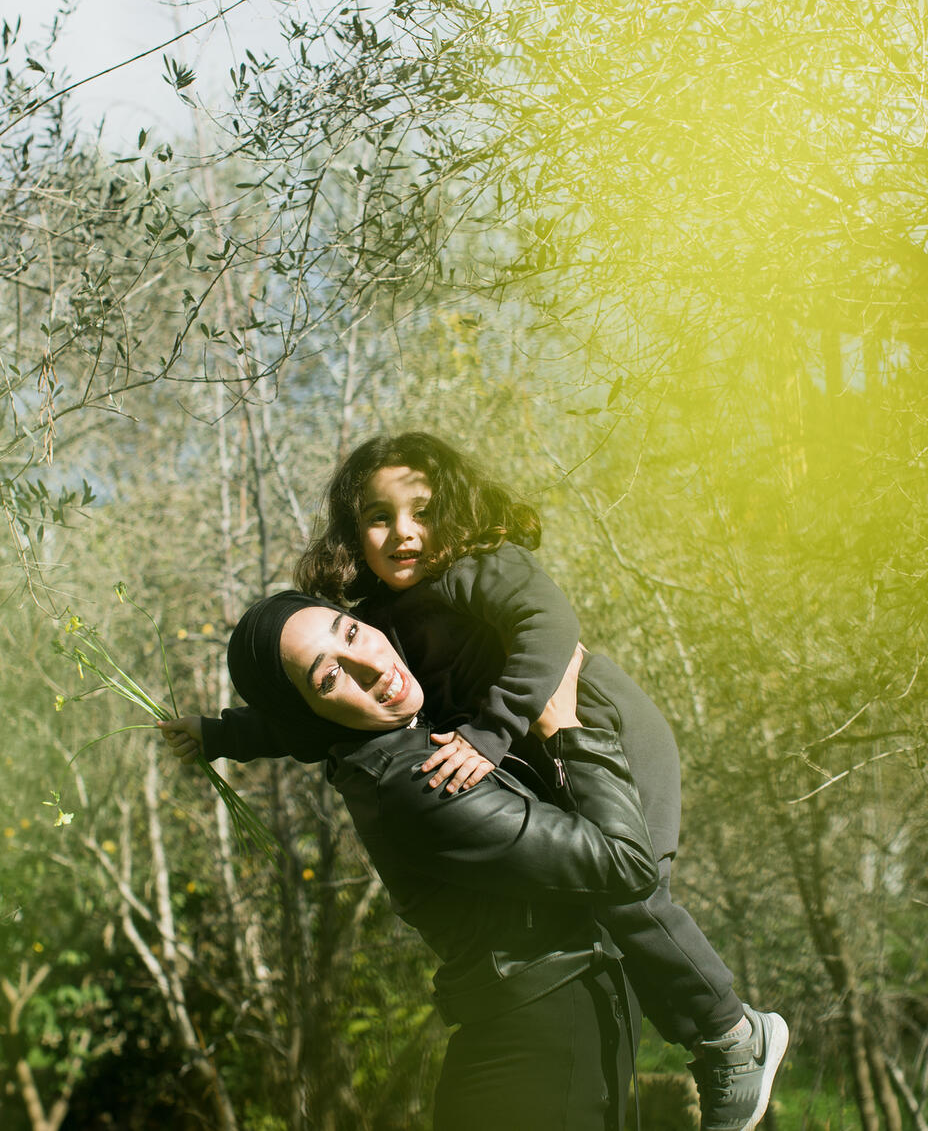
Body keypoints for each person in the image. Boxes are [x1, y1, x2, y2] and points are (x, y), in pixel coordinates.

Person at [169, 431, 788, 1131]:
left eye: (424, 510)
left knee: (633, 896)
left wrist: (490, 734)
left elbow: (552, 625)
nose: (405, 532)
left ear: (456, 510)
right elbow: (307, 720)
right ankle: (709, 1036)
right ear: (351, 534)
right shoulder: (373, 623)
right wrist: (222, 732)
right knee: (610, 896)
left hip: (605, 731)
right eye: (379, 517)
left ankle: (731, 1035)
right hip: (545, 755)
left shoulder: (478, 568)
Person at [163, 592, 661, 1131]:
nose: (375, 665)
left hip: (545, 1039)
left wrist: (219, 733)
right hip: (541, 1059)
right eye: (329, 679)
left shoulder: (382, 735)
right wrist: (567, 728)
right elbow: (625, 864)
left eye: (350, 632)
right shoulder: (419, 784)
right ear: (311, 711)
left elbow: (288, 728)